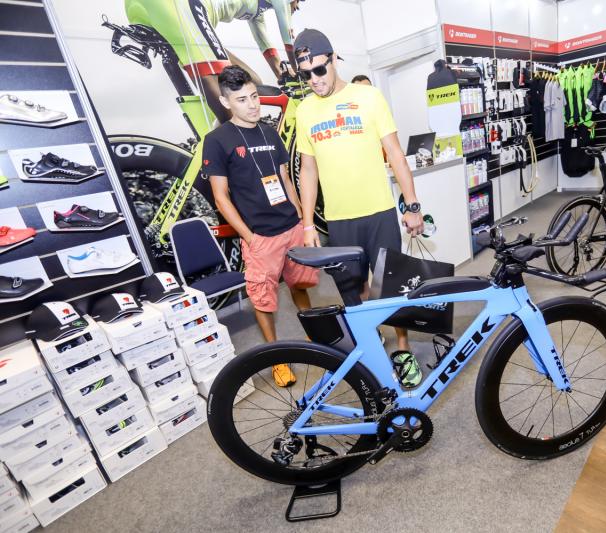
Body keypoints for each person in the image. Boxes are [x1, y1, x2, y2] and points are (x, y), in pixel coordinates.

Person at [293, 29, 426, 387]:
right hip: (339, 222)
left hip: (379, 213)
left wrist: (412, 205)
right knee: (354, 293)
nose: (314, 80)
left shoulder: (368, 97)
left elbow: (395, 153)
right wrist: (308, 224)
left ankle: (403, 348)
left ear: (333, 59)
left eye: (319, 70)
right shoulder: (304, 111)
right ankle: (373, 343)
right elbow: (308, 170)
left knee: (391, 288)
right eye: (305, 74)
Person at [203, 66, 319, 386]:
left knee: (300, 284)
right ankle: (276, 358)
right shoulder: (216, 140)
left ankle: (313, 337)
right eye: (242, 99)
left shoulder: (269, 132)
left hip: (291, 226)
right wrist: (249, 237)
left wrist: (302, 220)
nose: (253, 104)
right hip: (260, 237)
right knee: (263, 300)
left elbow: (285, 179)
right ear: (226, 102)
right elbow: (221, 197)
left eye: (254, 96)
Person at [125, 0, 303, 122]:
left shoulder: (257, 12)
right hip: (183, 7)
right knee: (213, 74)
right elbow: (288, 39)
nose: (298, 5)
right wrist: (301, 73)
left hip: (143, 9)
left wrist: (284, 75)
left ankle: (211, 132)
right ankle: (235, 142)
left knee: (252, 82)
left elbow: (267, 48)